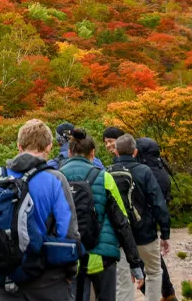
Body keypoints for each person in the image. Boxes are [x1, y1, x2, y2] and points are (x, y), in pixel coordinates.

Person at [0, 119, 81, 301]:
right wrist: (70, 272)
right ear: (49, 147)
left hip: (7, 281)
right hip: (49, 280)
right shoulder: (56, 179)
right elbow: (69, 233)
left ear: (19, 146)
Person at [60, 128, 145, 301]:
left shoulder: (56, 177)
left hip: (69, 256)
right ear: (93, 153)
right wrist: (135, 262)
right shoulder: (104, 177)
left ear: (69, 152)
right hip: (102, 254)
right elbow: (121, 221)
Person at [111, 134, 171, 301]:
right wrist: (165, 233)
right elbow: (158, 203)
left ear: (116, 152)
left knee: (124, 281)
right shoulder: (144, 171)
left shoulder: (108, 173)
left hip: (120, 237)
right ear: (135, 152)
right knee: (154, 272)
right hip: (145, 233)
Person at [136, 138, 177, 301]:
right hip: (152, 225)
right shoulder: (161, 169)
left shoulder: (146, 172)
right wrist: (165, 232)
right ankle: (168, 294)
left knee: (146, 265)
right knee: (154, 262)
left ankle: (164, 295)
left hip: (143, 227)